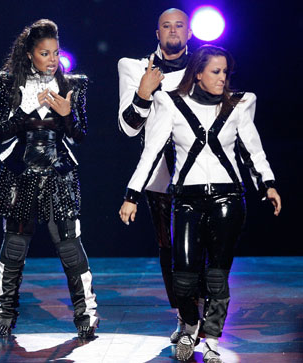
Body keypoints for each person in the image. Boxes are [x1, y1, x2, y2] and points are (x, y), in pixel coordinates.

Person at [119, 45, 281, 363]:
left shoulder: (240, 104)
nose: (222, 79)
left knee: (217, 276)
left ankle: (211, 341)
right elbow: (151, 152)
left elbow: (253, 150)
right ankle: (190, 323)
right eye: (215, 72)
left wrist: (269, 184)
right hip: (188, 200)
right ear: (198, 73)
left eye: (225, 72)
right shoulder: (170, 104)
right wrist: (132, 195)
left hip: (228, 198)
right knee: (184, 277)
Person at [0, 19, 98, 340]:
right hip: (20, 173)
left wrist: (67, 113)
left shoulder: (74, 84)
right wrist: (25, 109)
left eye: (56, 53)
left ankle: (86, 314)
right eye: (45, 53)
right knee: (14, 246)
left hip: (59, 173)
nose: (52, 59)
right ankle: (3, 314)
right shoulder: (7, 82)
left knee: (69, 245)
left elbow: (80, 136)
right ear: (29, 54)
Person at [117, 8, 193, 343]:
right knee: (170, 248)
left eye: (179, 25)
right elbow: (129, 128)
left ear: (189, 33)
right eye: (166, 25)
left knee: (199, 246)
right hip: (159, 173)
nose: (173, 30)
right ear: (157, 32)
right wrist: (144, 92)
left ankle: (198, 313)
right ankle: (184, 315)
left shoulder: (205, 64)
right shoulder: (133, 67)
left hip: (201, 171)